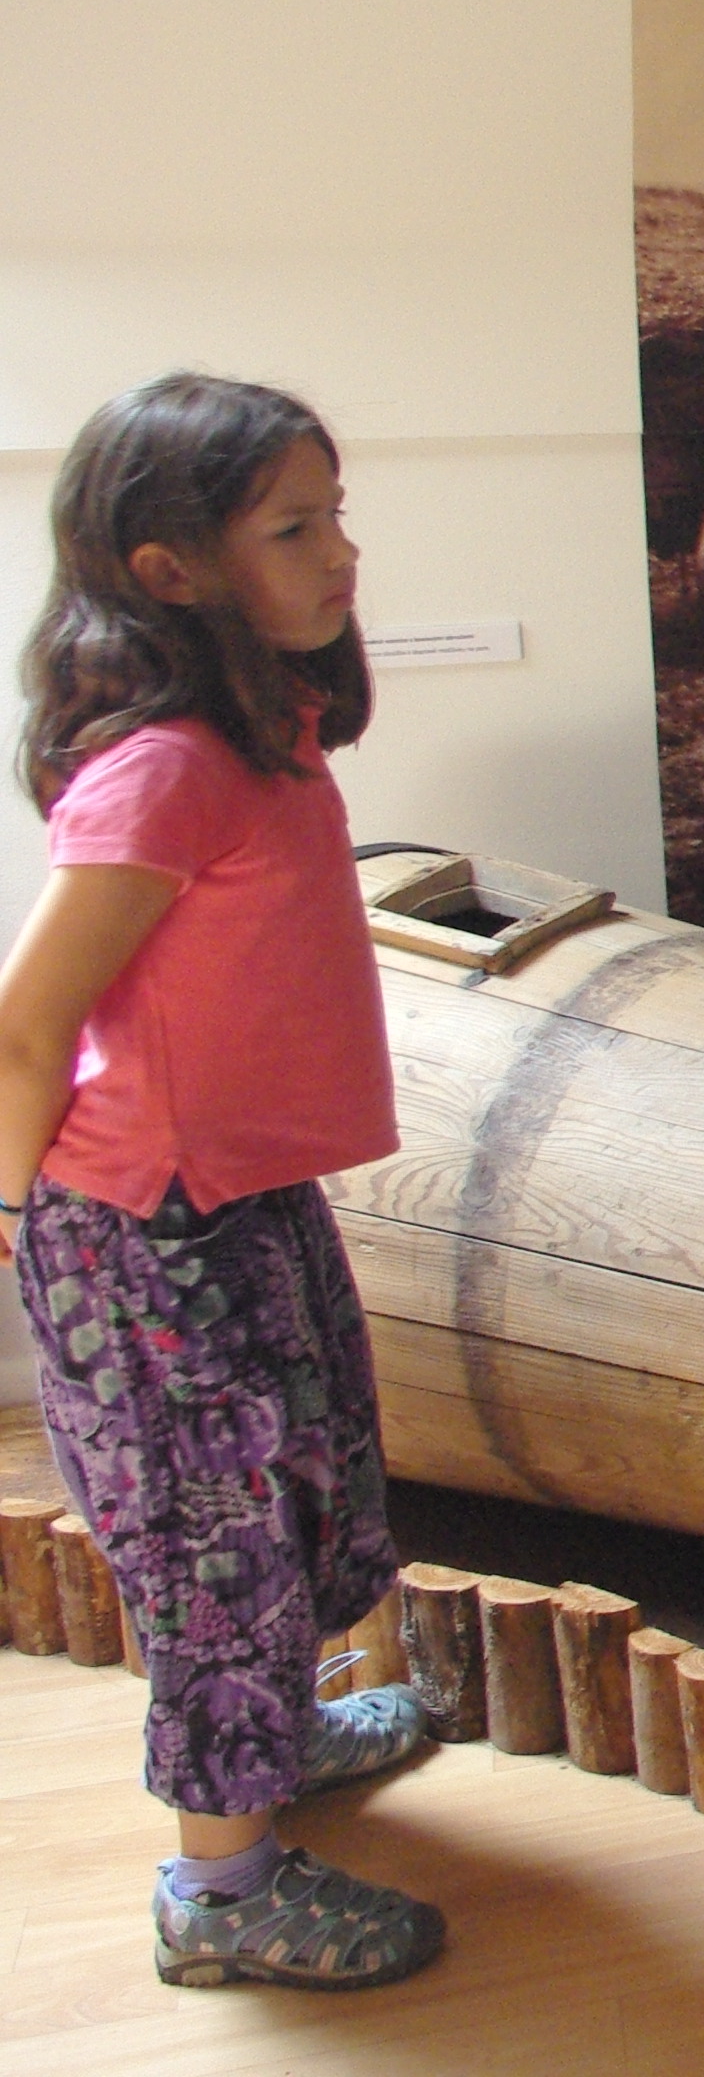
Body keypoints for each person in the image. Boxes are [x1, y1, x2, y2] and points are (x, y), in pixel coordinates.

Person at [0, 374, 441, 1990]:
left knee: (302, 1480)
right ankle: (222, 1890)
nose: (342, 555)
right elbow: (23, 1025)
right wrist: (10, 1218)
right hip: (145, 1231)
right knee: (216, 1548)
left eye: (336, 517)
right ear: (169, 569)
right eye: (295, 528)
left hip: (242, 1198)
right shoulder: (163, 768)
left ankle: (285, 1737)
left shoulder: (263, 731)